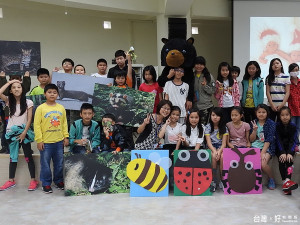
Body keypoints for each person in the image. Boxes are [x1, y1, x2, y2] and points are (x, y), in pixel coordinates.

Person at [0, 79, 38, 191]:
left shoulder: (28, 102)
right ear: (10, 90)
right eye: (14, 87)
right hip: (11, 134)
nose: (16, 89)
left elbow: (29, 119)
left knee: (28, 157)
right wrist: (9, 83)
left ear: (23, 89)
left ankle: (33, 180)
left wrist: (24, 133)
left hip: (24, 133)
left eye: (19, 87)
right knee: (13, 158)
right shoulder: (8, 101)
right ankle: (11, 180)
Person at [34, 83, 69, 194]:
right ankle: (46, 183)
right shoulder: (40, 108)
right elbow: (37, 125)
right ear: (45, 94)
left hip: (59, 142)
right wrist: (39, 140)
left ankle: (58, 181)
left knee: (59, 164)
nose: (52, 94)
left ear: (58, 94)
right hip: (46, 143)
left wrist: (66, 136)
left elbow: (64, 123)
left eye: (54, 92)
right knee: (45, 164)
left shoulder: (61, 108)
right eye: (49, 92)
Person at [0, 71, 31, 154]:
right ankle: (6, 147)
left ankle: (25, 148)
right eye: (13, 79)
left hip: (23, 124)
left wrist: (26, 78)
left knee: (27, 153)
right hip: (9, 120)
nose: (15, 81)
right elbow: (2, 92)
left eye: (17, 79)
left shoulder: (27, 100)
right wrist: (4, 79)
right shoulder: (8, 98)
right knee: (5, 131)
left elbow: (25, 88)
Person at [249, 104, 276, 190]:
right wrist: (254, 130)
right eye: (259, 112)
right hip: (254, 146)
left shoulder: (271, 123)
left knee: (263, 164)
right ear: (256, 113)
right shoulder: (253, 122)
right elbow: (251, 139)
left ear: (267, 113)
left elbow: (269, 140)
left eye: (263, 112)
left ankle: (271, 179)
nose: (261, 114)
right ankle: (255, 181)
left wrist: (262, 153)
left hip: (267, 147)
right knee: (251, 163)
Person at [274, 106, 299, 195]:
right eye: (282, 115)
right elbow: (278, 140)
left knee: (289, 161)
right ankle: (286, 183)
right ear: (279, 116)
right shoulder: (277, 126)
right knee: (282, 160)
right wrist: (283, 153)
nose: (285, 117)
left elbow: (294, 140)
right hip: (279, 148)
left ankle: (287, 182)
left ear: (290, 115)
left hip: (290, 148)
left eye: (287, 115)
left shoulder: (293, 126)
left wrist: (290, 153)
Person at [205, 107, 228, 192]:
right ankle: (213, 180)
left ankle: (223, 180)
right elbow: (208, 142)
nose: (215, 117)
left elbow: (224, 144)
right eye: (213, 115)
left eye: (217, 115)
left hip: (221, 147)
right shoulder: (207, 127)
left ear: (221, 117)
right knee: (213, 157)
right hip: (211, 147)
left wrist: (219, 151)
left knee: (222, 157)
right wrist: (215, 151)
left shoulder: (224, 128)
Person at [193, 56, 215, 125]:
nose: (199, 66)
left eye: (201, 64)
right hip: (195, 107)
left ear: (204, 66)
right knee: (195, 126)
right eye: (197, 64)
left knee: (205, 127)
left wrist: (205, 86)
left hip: (206, 106)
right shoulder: (191, 76)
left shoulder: (208, 76)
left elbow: (213, 90)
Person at [287, 63, 300, 131]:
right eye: (293, 70)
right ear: (290, 72)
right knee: (292, 129)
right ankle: (292, 142)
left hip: (299, 109)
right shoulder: (287, 83)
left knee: (298, 129)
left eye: (297, 70)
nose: (295, 72)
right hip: (291, 110)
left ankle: (296, 142)